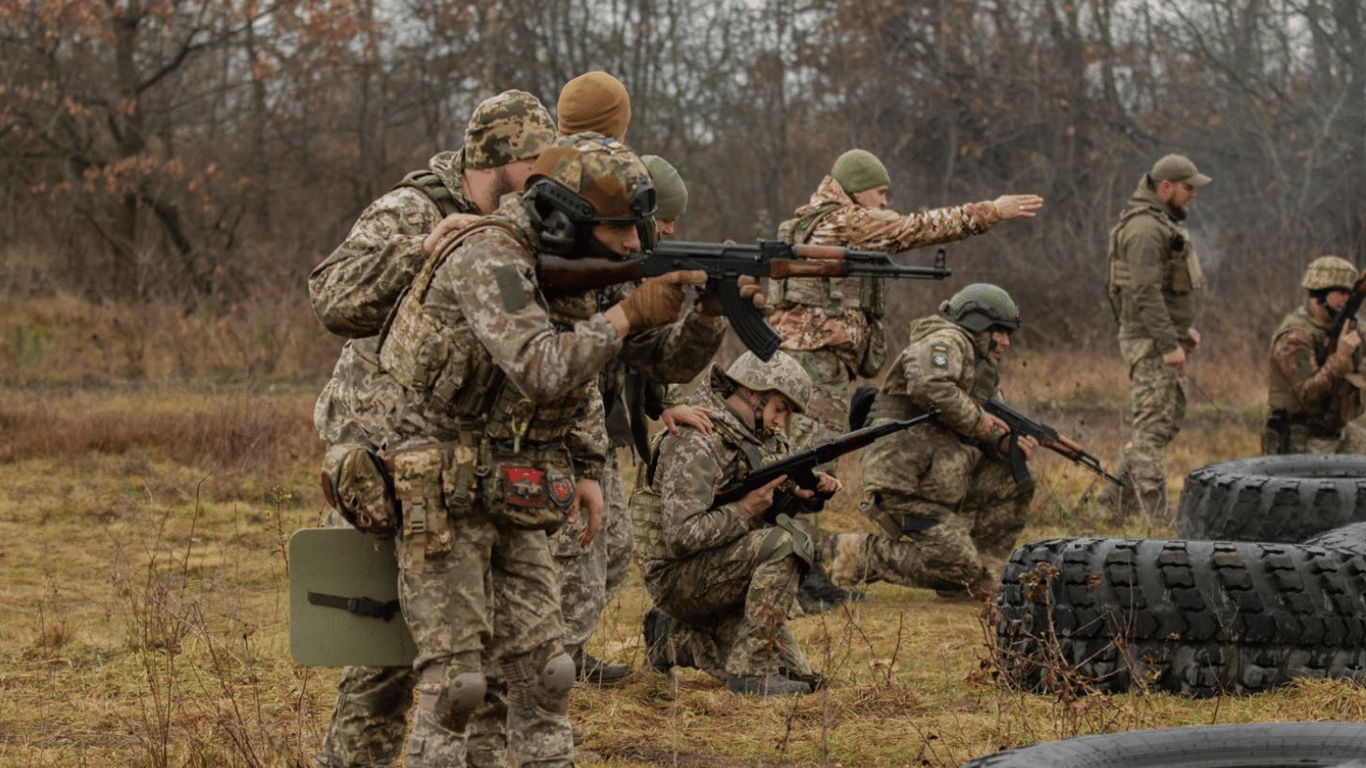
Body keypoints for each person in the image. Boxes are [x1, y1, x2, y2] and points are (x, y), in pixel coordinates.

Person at [366, 133, 701, 767]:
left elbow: (618, 375)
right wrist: (629, 313)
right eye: (620, 230)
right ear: (566, 215)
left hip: (515, 480)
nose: (636, 243)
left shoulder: (569, 265)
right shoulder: (489, 255)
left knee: (547, 675)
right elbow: (541, 366)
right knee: (458, 686)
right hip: (438, 484)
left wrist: (708, 314)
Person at [309, 89, 557, 768]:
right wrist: (424, 249)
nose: (543, 179)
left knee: (487, 668)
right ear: (500, 158)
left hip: (474, 474)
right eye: (534, 162)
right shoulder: (412, 209)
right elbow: (332, 297)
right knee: (382, 662)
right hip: (388, 465)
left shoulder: (525, 225)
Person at [767, 148, 1045, 454]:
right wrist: (989, 211)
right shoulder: (846, 222)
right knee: (810, 463)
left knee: (786, 455)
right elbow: (913, 229)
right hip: (818, 361)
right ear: (857, 191)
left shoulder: (802, 224)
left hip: (794, 356)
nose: (885, 202)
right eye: (880, 192)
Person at [633, 351, 842, 696]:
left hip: (723, 568)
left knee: (799, 677)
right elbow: (681, 536)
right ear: (753, 394)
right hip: (676, 577)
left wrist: (807, 495)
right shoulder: (696, 441)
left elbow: (774, 510)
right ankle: (750, 673)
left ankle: (670, 635)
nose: (780, 422)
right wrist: (745, 509)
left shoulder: (760, 440)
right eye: (779, 408)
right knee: (788, 544)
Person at [827, 284, 1037, 600]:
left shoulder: (981, 369)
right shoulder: (946, 341)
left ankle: (977, 575)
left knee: (1014, 477)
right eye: (1000, 332)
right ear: (978, 325)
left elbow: (986, 422)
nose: (1006, 342)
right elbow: (930, 387)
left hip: (942, 479)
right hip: (906, 481)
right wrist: (981, 424)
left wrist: (1005, 444)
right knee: (959, 565)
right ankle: (855, 554)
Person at [1103, 153, 1212, 523]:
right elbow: (1144, 294)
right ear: (1165, 187)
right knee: (1152, 429)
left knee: (1160, 423)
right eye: (1187, 188)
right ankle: (1156, 517)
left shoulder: (1160, 224)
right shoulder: (1146, 230)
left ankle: (1113, 503)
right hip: (1150, 342)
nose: (1192, 195)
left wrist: (1182, 334)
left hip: (1159, 338)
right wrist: (1169, 345)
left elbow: (1163, 290)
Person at [1264, 255, 1366, 454]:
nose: (1346, 299)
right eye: (1340, 292)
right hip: (1300, 438)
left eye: (1349, 292)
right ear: (1319, 295)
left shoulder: (1344, 325)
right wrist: (1340, 358)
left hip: (1336, 430)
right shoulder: (1294, 337)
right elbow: (1308, 395)